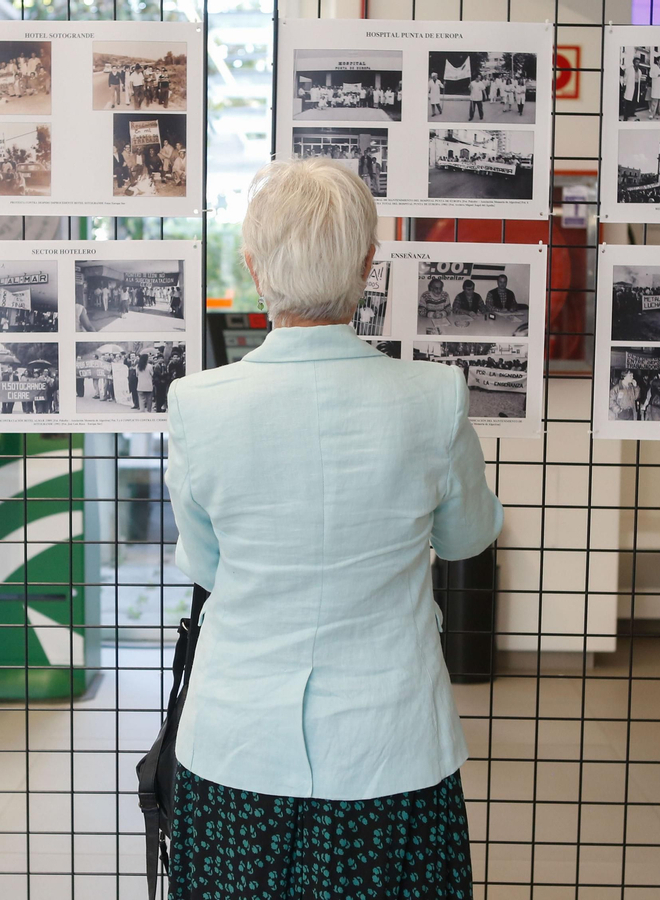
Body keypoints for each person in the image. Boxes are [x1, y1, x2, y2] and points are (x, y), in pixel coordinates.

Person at [165, 158, 500, 898]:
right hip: (391, 748)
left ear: (253, 265)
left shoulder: (197, 404)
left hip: (236, 745)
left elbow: (207, 564)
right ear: (368, 264)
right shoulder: (433, 396)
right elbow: (468, 537)